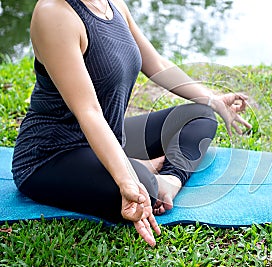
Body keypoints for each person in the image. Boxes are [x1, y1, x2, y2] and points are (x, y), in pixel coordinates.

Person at [11, 0, 252, 247]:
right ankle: (146, 171)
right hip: (51, 156)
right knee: (141, 191)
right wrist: (127, 179)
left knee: (200, 116)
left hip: (110, 136)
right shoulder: (54, 14)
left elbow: (156, 64)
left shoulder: (112, 3)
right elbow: (89, 112)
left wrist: (213, 99)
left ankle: (169, 179)